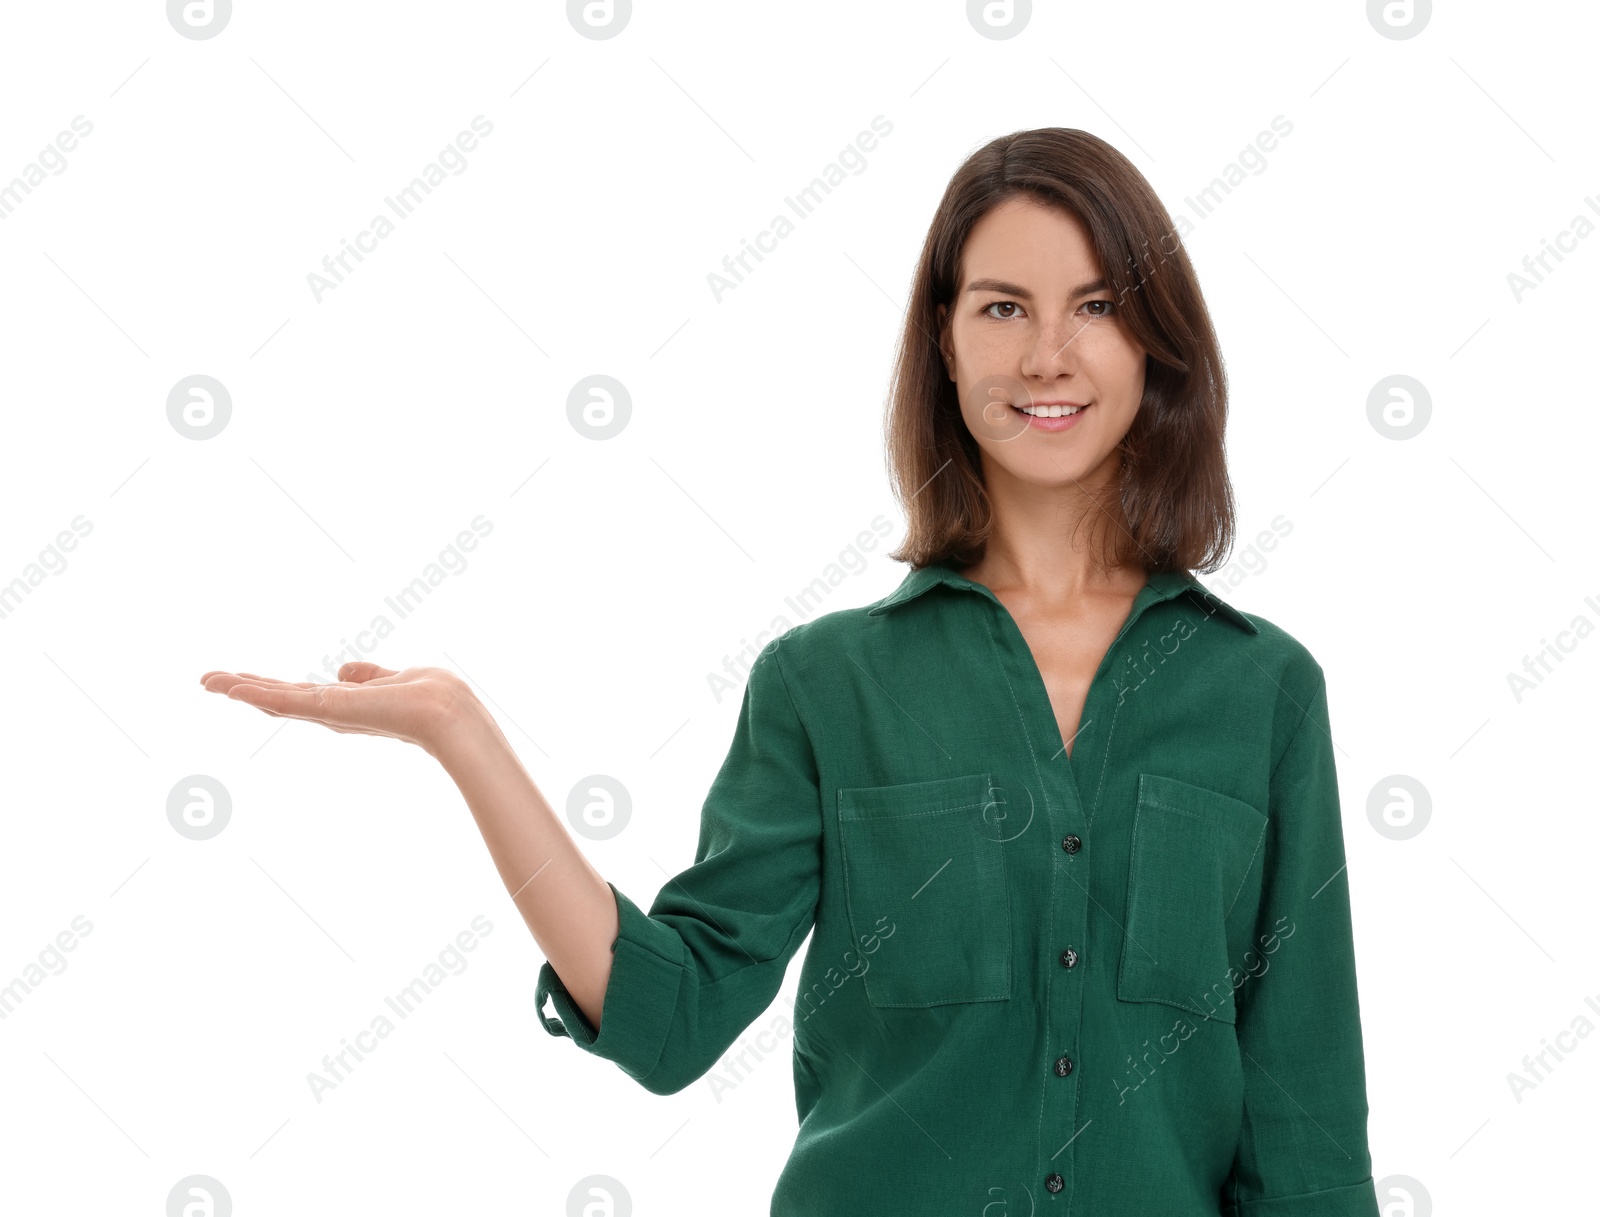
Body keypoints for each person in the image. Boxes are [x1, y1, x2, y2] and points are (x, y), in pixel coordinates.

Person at [201, 127, 1379, 1216]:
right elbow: (671, 1017)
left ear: (1153, 340)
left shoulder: (1262, 692)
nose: (1048, 355)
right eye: (1003, 306)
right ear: (944, 339)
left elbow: (1307, 1128)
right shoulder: (825, 685)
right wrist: (458, 729)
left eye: (1096, 305)